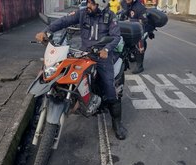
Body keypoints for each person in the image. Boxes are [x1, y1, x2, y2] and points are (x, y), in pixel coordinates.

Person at [35, 0, 127, 140]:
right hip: (84, 53)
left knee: (109, 87)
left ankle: (117, 123)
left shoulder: (110, 16)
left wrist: (106, 49)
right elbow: (64, 21)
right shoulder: (83, 13)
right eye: (88, 2)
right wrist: (46, 31)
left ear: (101, 5)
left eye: (92, 3)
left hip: (101, 55)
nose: (89, 6)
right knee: (64, 73)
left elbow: (116, 36)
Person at [120, 0, 148, 74]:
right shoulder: (123, 3)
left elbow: (144, 20)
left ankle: (140, 65)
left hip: (138, 29)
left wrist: (130, 21)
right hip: (126, 27)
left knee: (139, 41)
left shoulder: (140, 7)